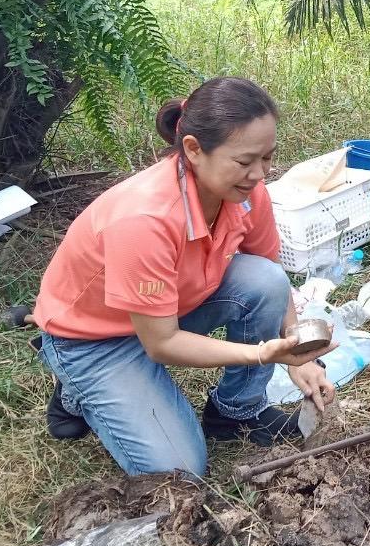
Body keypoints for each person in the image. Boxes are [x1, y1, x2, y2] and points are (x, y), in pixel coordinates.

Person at [31, 77, 336, 476]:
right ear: (193, 150)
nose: (260, 174)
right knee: (179, 471)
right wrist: (263, 354)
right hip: (97, 340)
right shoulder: (144, 219)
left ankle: (235, 411)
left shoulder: (243, 192)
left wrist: (297, 353)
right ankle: (77, 387)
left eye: (267, 158)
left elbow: (271, 273)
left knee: (265, 281)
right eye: (245, 161)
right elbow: (162, 344)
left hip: (168, 309)